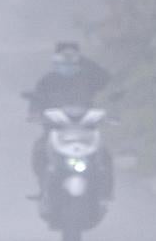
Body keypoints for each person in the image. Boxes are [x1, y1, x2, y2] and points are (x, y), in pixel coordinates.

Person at [26, 42, 113, 196]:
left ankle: (105, 191)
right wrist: (35, 113)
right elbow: (36, 99)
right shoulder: (47, 80)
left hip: (85, 129)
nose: (67, 63)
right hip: (55, 129)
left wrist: (84, 61)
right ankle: (43, 188)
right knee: (40, 151)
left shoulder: (88, 78)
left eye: (71, 59)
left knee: (103, 155)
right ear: (55, 61)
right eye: (63, 59)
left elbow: (106, 78)